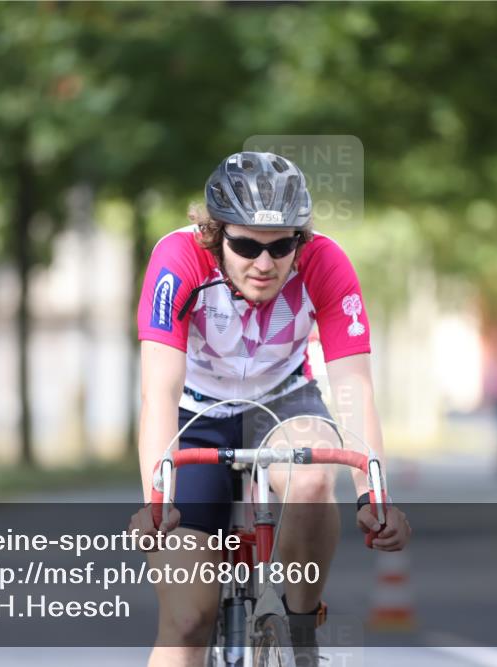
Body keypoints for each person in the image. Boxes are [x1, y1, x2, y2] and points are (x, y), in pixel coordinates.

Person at [129, 151, 410, 667]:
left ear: (299, 241)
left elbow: (354, 387)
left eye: (281, 246)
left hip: (284, 402)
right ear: (215, 234)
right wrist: (156, 494)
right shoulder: (177, 257)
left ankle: (298, 631)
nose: (264, 263)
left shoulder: (325, 261)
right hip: (194, 416)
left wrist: (374, 495)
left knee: (312, 474)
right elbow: (159, 392)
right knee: (187, 621)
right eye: (246, 245)